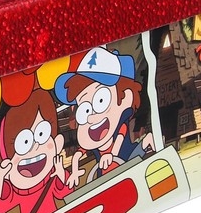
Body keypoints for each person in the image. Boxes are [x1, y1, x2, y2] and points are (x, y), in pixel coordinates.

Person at [54, 46, 156, 183]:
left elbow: (119, 139)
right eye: (84, 110)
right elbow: (78, 154)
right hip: (106, 173)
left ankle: (146, 140)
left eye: (101, 101)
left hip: (128, 158)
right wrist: (75, 171)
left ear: (125, 97)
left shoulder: (120, 125)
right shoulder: (90, 139)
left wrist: (112, 155)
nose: (91, 117)